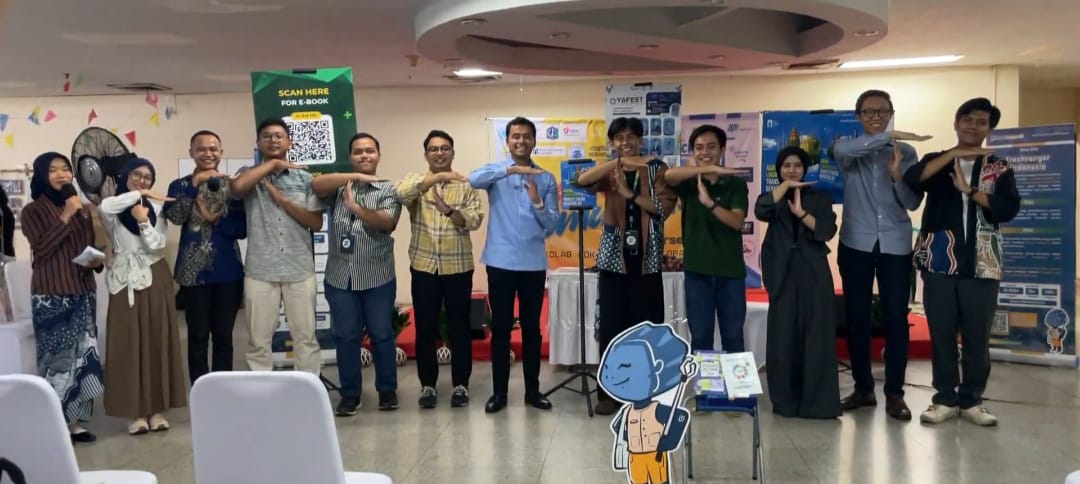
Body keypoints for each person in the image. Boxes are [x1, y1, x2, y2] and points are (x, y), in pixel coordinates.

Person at [904, 98, 1020, 426]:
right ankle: (943, 398)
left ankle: (971, 400)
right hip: (941, 260)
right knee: (941, 333)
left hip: (983, 262)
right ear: (956, 123)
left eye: (981, 122)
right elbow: (913, 179)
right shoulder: (938, 160)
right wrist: (953, 154)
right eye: (967, 119)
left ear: (989, 128)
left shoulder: (998, 165)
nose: (973, 126)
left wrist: (970, 191)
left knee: (976, 336)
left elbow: (1008, 208)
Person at [832, 89, 932, 421]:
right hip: (856, 243)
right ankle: (863, 389)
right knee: (857, 318)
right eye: (869, 111)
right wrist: (887, 137)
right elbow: (842, 151)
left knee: (896, 319)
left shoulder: (907, 152)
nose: (876, 116)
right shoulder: (848, 147)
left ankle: (894, 393)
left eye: (882, 111)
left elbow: (912, 202)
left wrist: (897, 176)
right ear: (858, 116)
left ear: (891, 113)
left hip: (895, 244)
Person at [575, 117, 676, 416]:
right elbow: (581, 181)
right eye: (619, 138)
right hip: (613, 259)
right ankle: (609, 393)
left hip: (647, 260)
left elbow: (662, 209)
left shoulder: (657, 168)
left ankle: (646, 391)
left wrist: (631, 192)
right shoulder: (611, 169)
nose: (625, 142)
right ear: (612, 143)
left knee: (647, 327)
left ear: (641, 140)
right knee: (612, 328)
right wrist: (618, 163)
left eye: (631, 137)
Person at [468, 116, 558, 414]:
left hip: (533, 264)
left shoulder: (546, 179)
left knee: (532, 329)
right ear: (507, 141)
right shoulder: (496, 173)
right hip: (500, 261)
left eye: (526, 136)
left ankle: (533, 391)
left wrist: (538, 202)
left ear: (534, 141)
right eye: (515, 136)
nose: (521, 141)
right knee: (501, 328)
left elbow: (551, 225)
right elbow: (473, 179)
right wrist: (511, 170)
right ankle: (499, 393)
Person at [311, 133, 401, 415]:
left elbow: (387, 222)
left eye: (370, 151)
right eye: (359, 151)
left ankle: (387, 390)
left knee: (382, 334)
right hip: (340, 278)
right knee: (346, 337)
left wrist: (356, 208)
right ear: (351, 157)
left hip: (377, 277)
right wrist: (354, 177)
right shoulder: (339, 187)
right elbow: (316, 185)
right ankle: (350, 394)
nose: (364, 155)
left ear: (378, 156)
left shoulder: (388, 189)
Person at [99, 157, 187, 435]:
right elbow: (104, 206)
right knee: (127, 342)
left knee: (156, 339)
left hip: (154, 274)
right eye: (136, 175)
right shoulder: (113, 208)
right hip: (124, 280)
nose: (141, 180)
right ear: (125, 177)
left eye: (147, 177)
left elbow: (157, 244)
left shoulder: (156, 208)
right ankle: (134, 412)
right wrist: (140, 194)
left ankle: (157, 409)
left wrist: (144, 221)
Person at [396, 130, 483, 409]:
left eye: (445, 148)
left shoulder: (465, 185)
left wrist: (448, 210)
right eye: (433, 149)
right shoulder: (416, 181)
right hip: (424, 266)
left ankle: (461, 384)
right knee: (425, 327)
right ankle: (428, 386)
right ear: (426, 154)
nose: (439, 153)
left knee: (460, 327)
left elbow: (474, 221)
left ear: (452, 152)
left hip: (458, 266)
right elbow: (401, 194)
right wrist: (436, 179)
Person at [21, 152, 104, 443]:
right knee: (56, 362)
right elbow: (42, 248)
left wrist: (96, 260)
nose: (61, 175)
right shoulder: (32, 211)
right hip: (52, 295)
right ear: (42, 175)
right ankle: (54, 422)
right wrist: (66, 214)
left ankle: (76, 423)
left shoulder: (83, 209)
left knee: (84, 359)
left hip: (83, 291)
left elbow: (89, 246)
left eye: (65, 169)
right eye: (53, 170)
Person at [227, 119, 322, 375]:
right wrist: (272, 165)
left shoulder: (305, 178)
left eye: (279, 136)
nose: (273, 140)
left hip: (299, 268)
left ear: (289, 142)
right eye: (267, 136)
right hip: (260, 270)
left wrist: (282, 200)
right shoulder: (248, 174)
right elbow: (236, 189)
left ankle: (307, 390)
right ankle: (261, 393)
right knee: (258, 342)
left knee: (305, 338)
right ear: (258, 143)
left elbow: (315, 222)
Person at [755, 146, 841, 419]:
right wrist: (784, 189)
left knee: (816, 332)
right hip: (782, 270)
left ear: (805, 169)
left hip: (812, 268)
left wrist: (801, 212)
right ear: (779, 170)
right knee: (783, 334)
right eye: (786, 166)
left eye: (797, 166)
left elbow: (826, 230)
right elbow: (760, 210)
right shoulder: (773, 197)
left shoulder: (819, 196)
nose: (792, 170)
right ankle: (786, 402)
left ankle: (816, 403)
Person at [164, 130, 247, 384]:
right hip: (192, 275)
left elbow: (242, 229)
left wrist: (215, 219)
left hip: (228, 272)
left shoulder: (234, 186)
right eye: (201, 149)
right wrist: (194, 185)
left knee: (224, 336)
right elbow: (175, 217)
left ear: (221, 153)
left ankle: (222, 388)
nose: (208, 153)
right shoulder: (179, 186)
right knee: (197, 337)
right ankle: (201, 389)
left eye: (213, 149)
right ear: (191, 153)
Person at [663, 125, 749, 355]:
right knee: (700, 337)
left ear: (722, 149)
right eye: (699, 148)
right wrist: (707, 169)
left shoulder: (735, 184)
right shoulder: (690, 182)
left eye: (711, 147)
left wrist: (709, 203)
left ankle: (734, 381)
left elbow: (737, 222)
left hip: (730, 272)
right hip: (697, 272)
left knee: (733, 337)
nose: (704, 152)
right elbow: (667, 176)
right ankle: (704, 381)